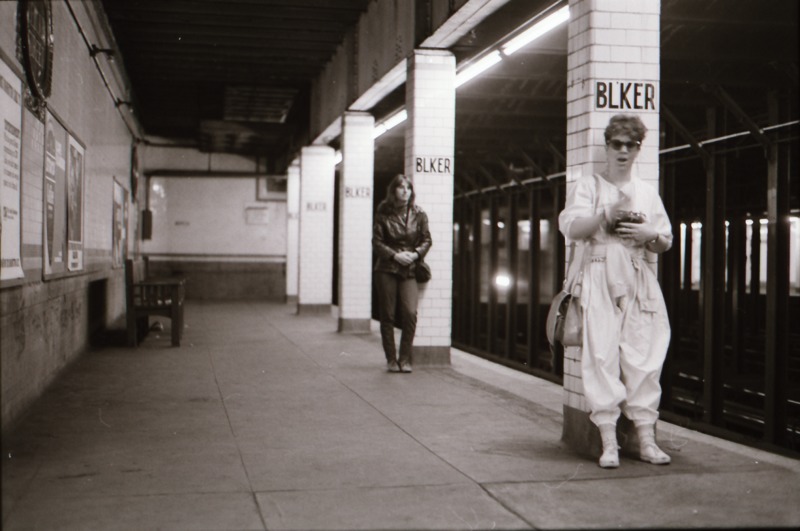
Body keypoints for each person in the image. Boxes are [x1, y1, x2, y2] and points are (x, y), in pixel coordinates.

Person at [558, 114, 673, 468]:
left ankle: (646, 440)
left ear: (639, 149)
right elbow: (571, 227)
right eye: (617, 144)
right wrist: (603, 218)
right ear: (607, 147)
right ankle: (609, 443)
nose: (623, 151)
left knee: (644, 356)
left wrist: (648, 236)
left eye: (631, 145)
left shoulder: (646, 192)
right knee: (601, 356)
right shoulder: (589, 186)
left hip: (637, 275)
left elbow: (665, 240)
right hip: (598, 273)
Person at [373, 174, 432, 373]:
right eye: (401, 187)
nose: (405, 191)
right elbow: (377, 242)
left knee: (409, 313)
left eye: (408, 187)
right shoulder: (383, 213)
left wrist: (414, 255)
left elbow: (426, 240)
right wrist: (395, 256)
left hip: (409, 268)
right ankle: (391, 359)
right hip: (387, 268)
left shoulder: (419, 214)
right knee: (387, 315)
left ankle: (405, 358)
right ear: (394, 191)